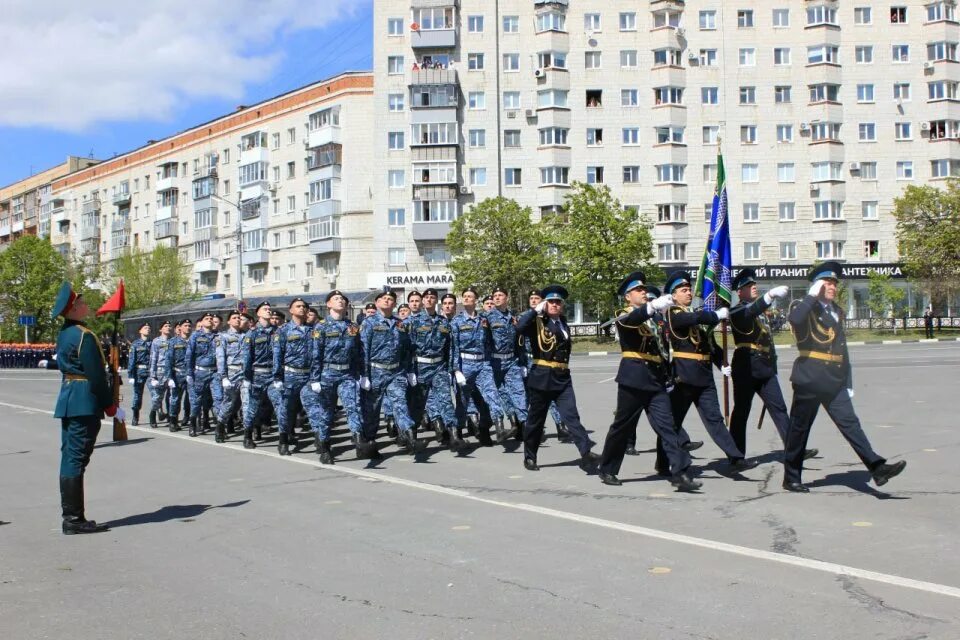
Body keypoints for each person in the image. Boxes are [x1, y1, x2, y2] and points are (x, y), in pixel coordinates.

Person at [782, 262, 907, 492]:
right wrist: (811, 295)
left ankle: (877, 468)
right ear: (817, 285)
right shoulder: (803, 305)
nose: (832, 287)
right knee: (800, 429)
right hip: (809, 377)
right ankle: (791, 478)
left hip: (833, 380)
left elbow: (842, 349)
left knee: (851, 424)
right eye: (827, 283)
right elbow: (796, 321)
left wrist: (848, 382)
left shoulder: (837, 310)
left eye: (834, 283)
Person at [598, 272, 701, 491]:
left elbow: (663, 348)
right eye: (639, 290)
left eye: (645, 290)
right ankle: (608, 468)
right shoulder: (623, 314)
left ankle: (679, 472)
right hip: (634, 378)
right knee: (622, 427)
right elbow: (634, 321)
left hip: (656, 379)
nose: (643, 293)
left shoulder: (655, 318)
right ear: (628, 297)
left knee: (668, 427)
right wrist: (652, 307)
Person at [40, 282, 124, 534]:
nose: (87, 306)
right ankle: (73, 520)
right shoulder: (84, 335)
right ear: (74, 308)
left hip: (69, 399)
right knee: (76, 460)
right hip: (85, 400)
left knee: (70, 457)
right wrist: (111, 407)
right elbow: (96, 376)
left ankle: (72, 517)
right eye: (83, 303)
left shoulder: (65, 333)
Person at [661, 271, 758, 474]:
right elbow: (693, 317)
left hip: (704, 378)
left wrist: (720, 363)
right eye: (683, 290)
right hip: (684, 377)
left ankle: (736, 458)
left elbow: (709, 344)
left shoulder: (694, 316)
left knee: (714, 420)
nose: (688, 293)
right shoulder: (674, 313)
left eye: (689, 289)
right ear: (673, 295)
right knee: (673, 423)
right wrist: (714, 315)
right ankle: (662, 463)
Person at [728, 269, 817, 460]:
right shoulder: (737, 311)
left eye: (754, 285)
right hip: (745, 367)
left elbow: (769, 342)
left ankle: (794, 450)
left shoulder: (761, 313)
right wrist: (769, 296)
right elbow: (750, 311)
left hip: (765, 368)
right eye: (748, 286)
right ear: (739, 292)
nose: (754, 288)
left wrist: (773, 366)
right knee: (742, 411)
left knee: (779, 408)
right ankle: (736, 456)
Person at [516, 285, 600, 473]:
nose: (554, 305)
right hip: (542, 377)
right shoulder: (536, 321)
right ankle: (530, 456)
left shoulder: (562, 322)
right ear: (545, 303)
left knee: (572, 417)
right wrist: (534, 311)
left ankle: (586, 453)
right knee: (535, 421)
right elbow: (519, 327)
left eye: (558, 302)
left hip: (562, 377)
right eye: (551, 301)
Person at [301, 290, 366, 463]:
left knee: (353, 406)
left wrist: (362, 374)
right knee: (326, 413)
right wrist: (314, 379)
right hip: (326, 374)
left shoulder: (352, 326)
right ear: (328, 304)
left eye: (342, 299)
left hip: (347, 374)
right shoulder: (321, 326)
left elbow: (359, 353)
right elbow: (316, 355)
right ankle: (324, 446)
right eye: (336, 299)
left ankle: (358, 438)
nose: (340, 301)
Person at [360, 289, 424, 454]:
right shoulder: (369, 322)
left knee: (400, 404)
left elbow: (406, 350)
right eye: (384, 298)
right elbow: (364, 350)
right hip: (375, 371)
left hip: (396, 372)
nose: (387, 301)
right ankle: (369, 443)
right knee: (372, 409)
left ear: (395, 304)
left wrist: (408, 371)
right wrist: (364, 375)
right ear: (377, 303)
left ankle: (411, 438)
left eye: (391, 299)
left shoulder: (400, 323)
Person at [405, 287, 463, 451]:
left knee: (446, 402)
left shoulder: (443, 322)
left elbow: (451, 348)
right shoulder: (412, 322)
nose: (429, 300)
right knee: (417, 405)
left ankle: (454, 436)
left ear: (436, 301)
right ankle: (411, 438)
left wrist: (453, 369)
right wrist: (409, 370)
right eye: (427, 297)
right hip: (420, 367)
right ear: (423, 301)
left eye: (432, 298)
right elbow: (407, 348)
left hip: (439, 367)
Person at [450, 286, 509, 443]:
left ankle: (500, 428)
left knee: (492, 395)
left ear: (476, 300)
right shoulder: (456, 321)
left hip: (483, 363)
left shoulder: (484, 320)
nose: (467, 298)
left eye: (470, 296)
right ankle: (456, 435)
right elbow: (454, 346)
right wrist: (456, 370)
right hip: (465, 364)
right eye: (465, 296)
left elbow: (490, 341)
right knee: (462, 400)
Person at [523, 289, 569, 442]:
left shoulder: (547, 319)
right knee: (531, 400)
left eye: (538, 298)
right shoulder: (528, 318)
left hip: (545, 363)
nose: (535, 301)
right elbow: (518, 338)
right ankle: (533, 429)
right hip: (528, 361)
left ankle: (560, 425)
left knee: (552, 398)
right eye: (532, 298)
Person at [272, 298, 313, 455]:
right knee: (286, 410)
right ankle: (283, 440)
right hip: (290, 375)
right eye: (298, 306)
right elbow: (277, 355)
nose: (302, 308)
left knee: (313, 408)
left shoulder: (313, 330)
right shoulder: (283, 330)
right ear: (291, 310)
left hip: (308, 375)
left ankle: (321, 441)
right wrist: (277, 377)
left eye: (304, 306)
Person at [487, 287, 527, 440]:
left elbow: (520, 342)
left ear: (507, 298)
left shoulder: (513, 317)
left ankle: (524, 425)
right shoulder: (487, 317)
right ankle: (512, 423)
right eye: (495, 296)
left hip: (511, 361)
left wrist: (522, 362)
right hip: (495, 362)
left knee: (519, 393)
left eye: (500, 295)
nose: (497, 298)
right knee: (502, 395)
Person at [241, 302, 280, 449]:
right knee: (252, 407)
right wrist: (247, 378)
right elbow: (247, 359)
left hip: (274, 376)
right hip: (257, 375)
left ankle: (284, 437)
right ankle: (247, 435)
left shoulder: (277, 332)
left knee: (280, 406)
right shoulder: (252, 334)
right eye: (265, 309)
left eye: (270, 309)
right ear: (258, 314)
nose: (269, 311)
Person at [186, 312, 218, 437]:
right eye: (207, 318)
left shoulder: (218, 336)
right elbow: (189, 356)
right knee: (196, 401)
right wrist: (189, 373)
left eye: (211, 318)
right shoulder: (195, 336)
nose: (210, 320)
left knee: (218, 399)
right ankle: (193, 424)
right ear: (202, 322)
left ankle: (219, 427)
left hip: (215, 372)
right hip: (199, 372)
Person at [216, 310, 245, 442]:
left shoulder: (246, 335)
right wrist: (223, 377)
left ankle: (249, 433)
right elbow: (220, 357)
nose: (237, 320)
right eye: (234, 318)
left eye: (239, 318)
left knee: (247, 403)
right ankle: (220, 425)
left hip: (245, 373)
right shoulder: (222, 337)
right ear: (228, 321)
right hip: (231, 373)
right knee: (229, 403)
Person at [163, 319, 192, 431]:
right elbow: (168, 360)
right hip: (177, 374)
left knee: (191, 399)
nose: (188, 327)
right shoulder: (173, 342)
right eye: (185, 325)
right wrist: (169, 377)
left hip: (191, 374)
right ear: (180, 328)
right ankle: (173, 421)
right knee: (175, 399)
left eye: (189, 325)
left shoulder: (194, 340)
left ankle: (190, 419)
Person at [147, 320, 173, 428]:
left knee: (172, 397)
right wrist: (153, 376)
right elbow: (153, 359)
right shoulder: (156, 341)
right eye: (165, 326)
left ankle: (172, 418)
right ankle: (153, 414)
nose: (168, 328)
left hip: (171, 371)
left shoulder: (173, 341)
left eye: (169, 326)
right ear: (161, 329)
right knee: (157, 397)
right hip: (160, 371)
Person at [127, 323, 152, 425]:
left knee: (155, 394)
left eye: (149, 328)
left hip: (150, 372)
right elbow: (131, 360)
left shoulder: (153, 343)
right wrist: (131, 375)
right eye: (145, 328)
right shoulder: (135, 344)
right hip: (139, 372)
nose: (148, 329)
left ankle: (153, 415)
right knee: (137, 395)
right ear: (140, 331)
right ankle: (135, 415)